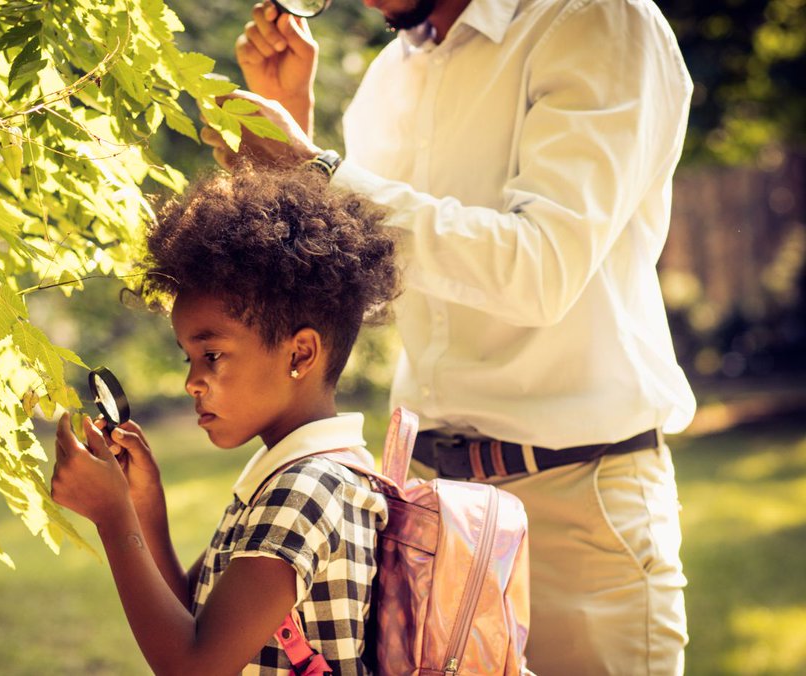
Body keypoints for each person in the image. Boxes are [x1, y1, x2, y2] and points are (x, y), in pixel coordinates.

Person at [203, 0, 695, 673]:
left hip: (579, 506)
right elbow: (377, 283)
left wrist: (318, 170)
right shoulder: (386, 77)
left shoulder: (599, 21)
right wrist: (297, 147)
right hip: (430, 512)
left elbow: (539, 271)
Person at [49, 167, 400, 674]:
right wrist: (142, 505)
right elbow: (195, 620)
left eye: (211, 355)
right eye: (187, 358)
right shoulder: (289, 474)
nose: (192, 382)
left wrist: (112, 517)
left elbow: (193, 667)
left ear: (299, 353)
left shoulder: (304, 489)